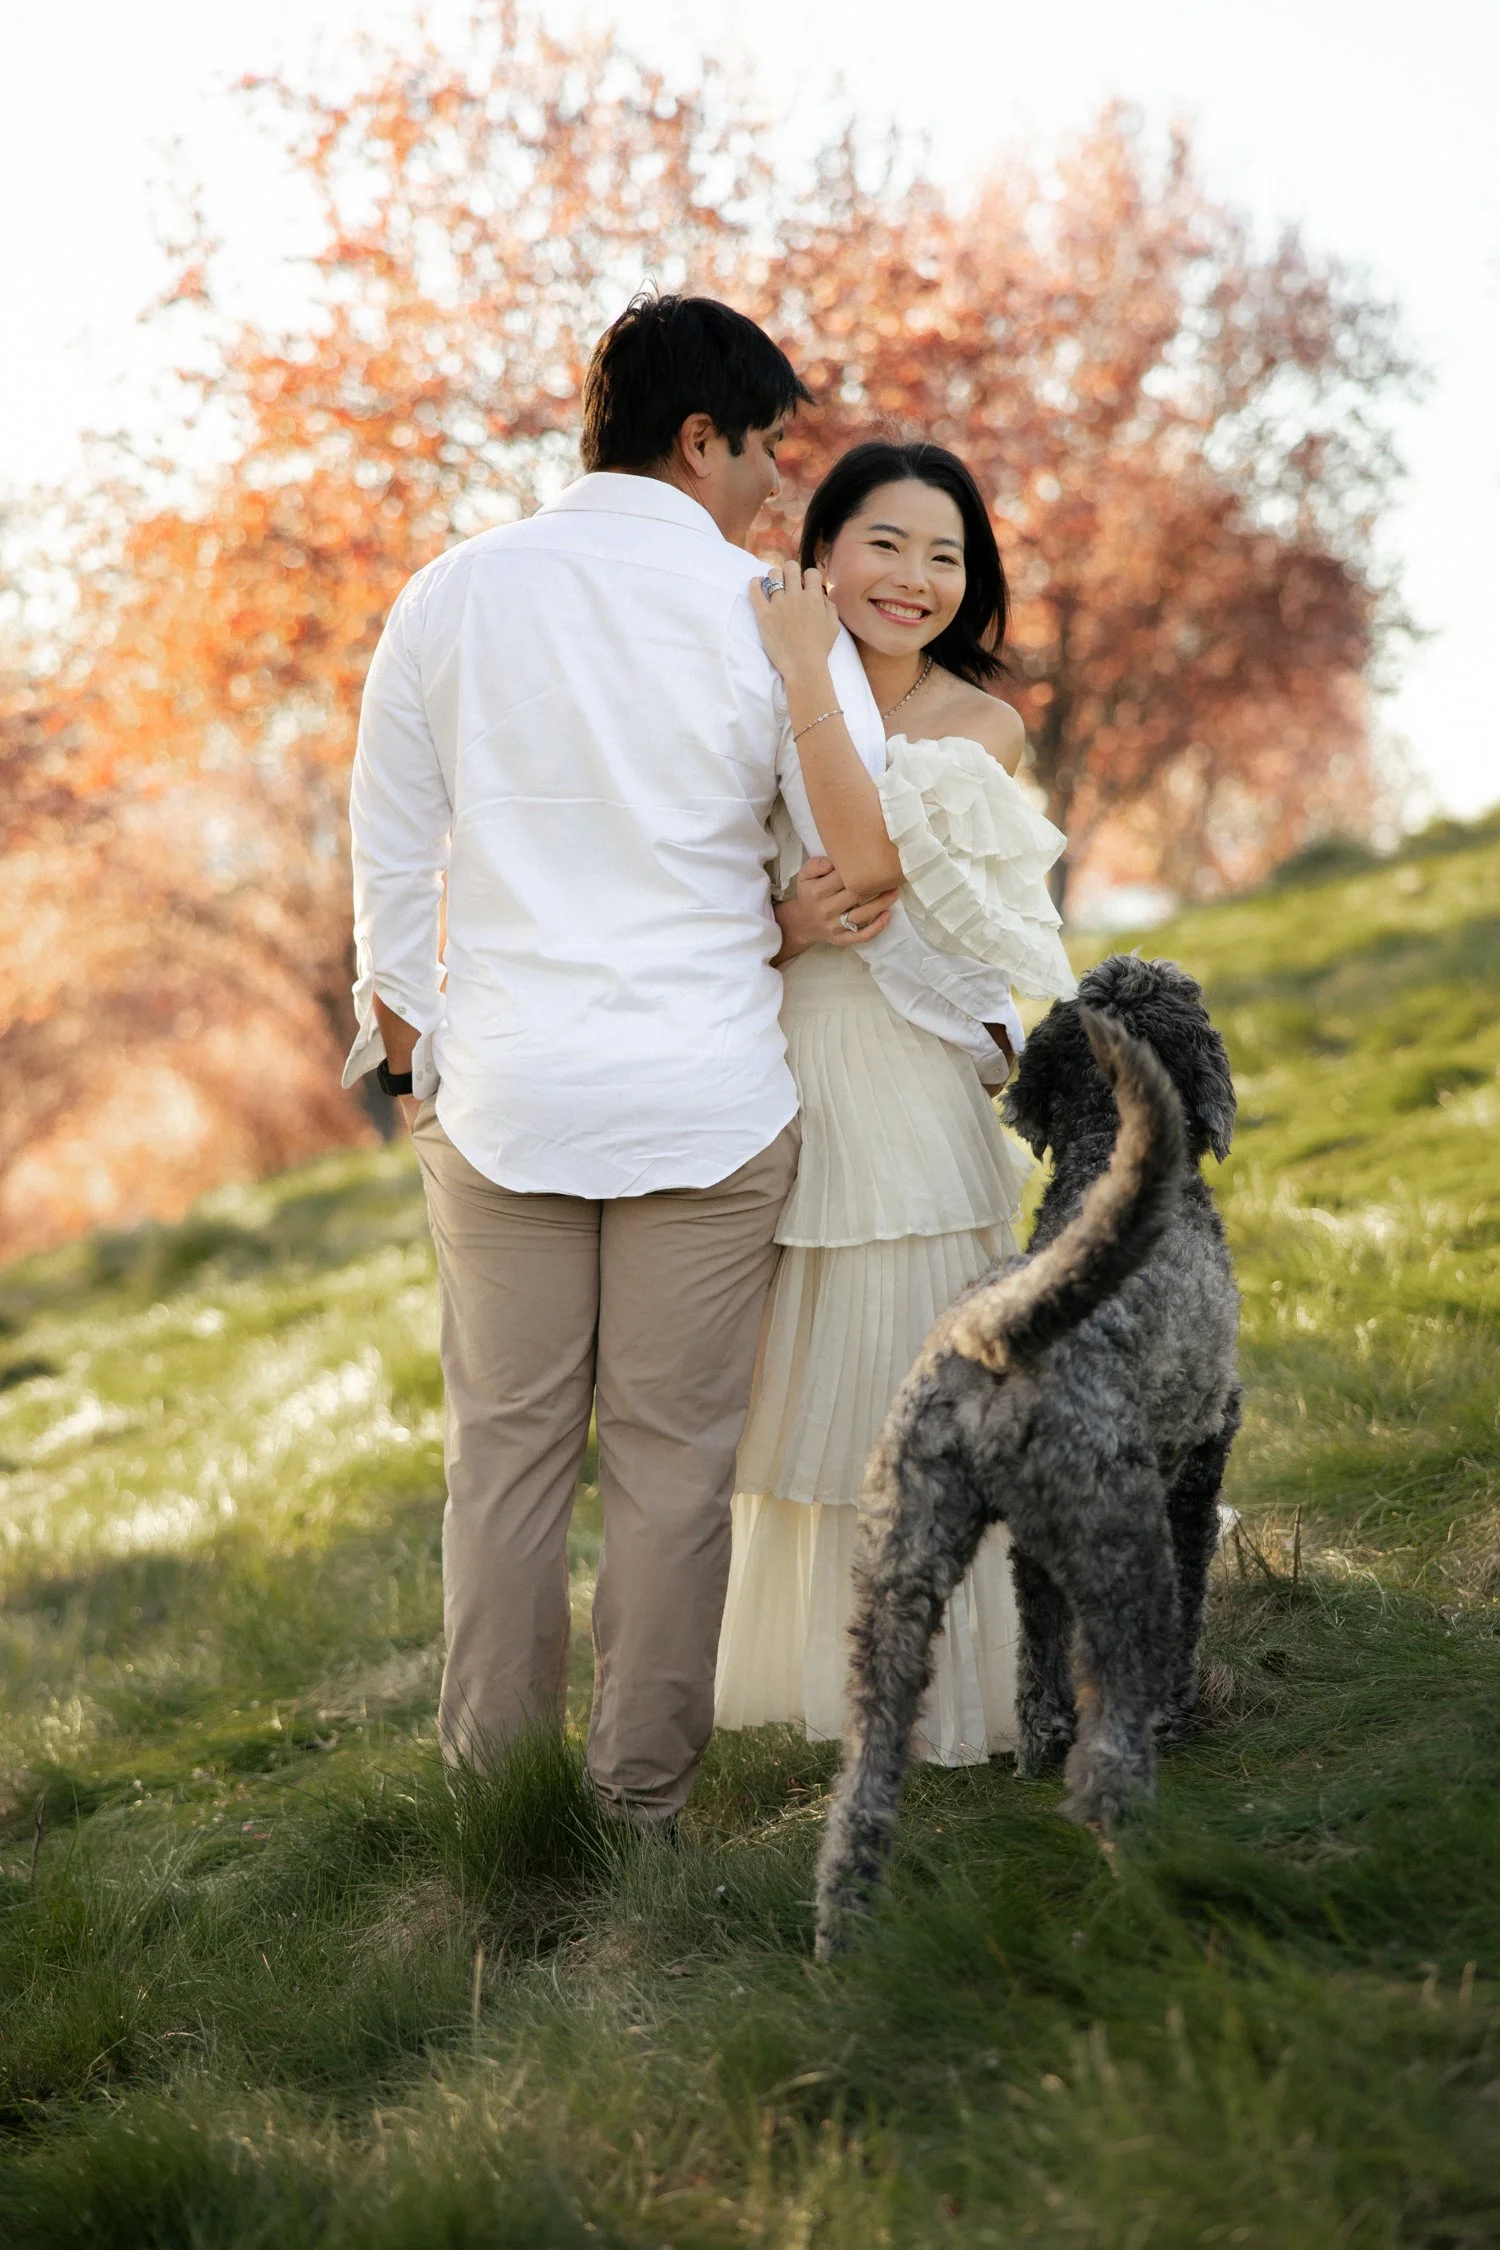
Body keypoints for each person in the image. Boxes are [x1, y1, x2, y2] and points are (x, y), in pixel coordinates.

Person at [342, 293, 900, 1828]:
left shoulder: (448, 594)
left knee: (505, 1461)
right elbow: (862, 861)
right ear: (697, 435)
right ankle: (637, 1808)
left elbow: (389, 861)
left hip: (506, 1091)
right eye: (767, 447)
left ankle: (499, 1812)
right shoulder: (770, 617)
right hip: (706, 1095)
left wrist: (415, 1050)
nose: (781, 486)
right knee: (668, 1467)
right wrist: (761, 932)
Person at [714, 441, 1077, 1764]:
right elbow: (747, 896)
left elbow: (900, 898)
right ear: (825, 550)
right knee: (807, 1386)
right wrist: (778, 924)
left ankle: (962, 1697)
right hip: (787, 1065)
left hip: (915, 1086)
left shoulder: (980, 723)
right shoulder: (737, 683)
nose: (915, 578)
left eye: (946, 555)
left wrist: (812, 671)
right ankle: (815, 1694)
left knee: (931, 1372)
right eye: (886, 542)